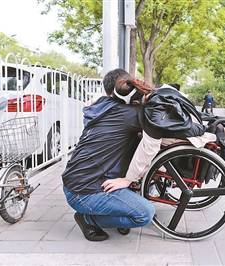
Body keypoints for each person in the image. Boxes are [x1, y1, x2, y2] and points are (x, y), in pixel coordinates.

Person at [61, 69, 155, 242]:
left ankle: (114, 209)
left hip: (74, 182)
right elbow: (159, 133)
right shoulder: (131, 115)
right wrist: (128, 180)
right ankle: (88, 218)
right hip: (83, 192)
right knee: (144, 214)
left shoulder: (101, 106)